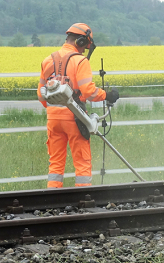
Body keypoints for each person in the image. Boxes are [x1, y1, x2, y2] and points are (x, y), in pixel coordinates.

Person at [37, 23, 119, 188]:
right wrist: (107, 95)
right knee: (82, 161)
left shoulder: (47, 60)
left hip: (53, 119)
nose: (84, 51)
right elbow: (88, 92)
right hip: (75, 117)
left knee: (55, 164)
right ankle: (83, 200)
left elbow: (41, 95)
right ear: (80, 42)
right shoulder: (80, 61)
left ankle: (53, 200)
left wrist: (55, 109)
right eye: (85, 47)